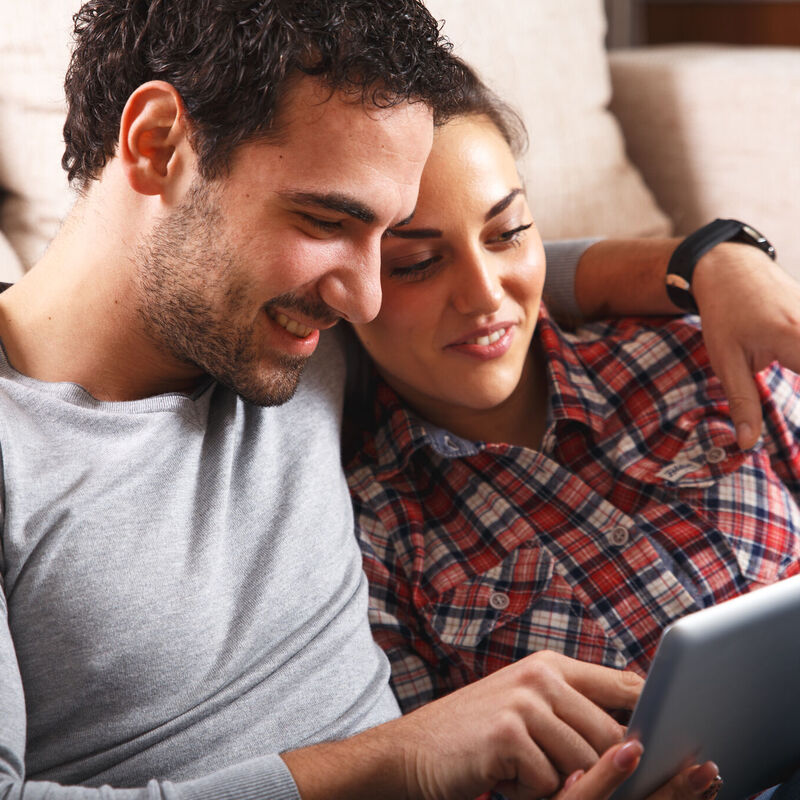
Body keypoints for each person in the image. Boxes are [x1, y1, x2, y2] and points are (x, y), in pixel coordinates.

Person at [0, 1, 792, 798]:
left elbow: (491, 285)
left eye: (389, 244)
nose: (368, 297)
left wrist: (711, 259)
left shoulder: (295, 331)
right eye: (326, 219)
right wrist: (403, 756)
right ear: (158, 144)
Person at [344, 63, 800, 797]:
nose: (487, 295)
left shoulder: (691, 353)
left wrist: (719, 255)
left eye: (509, 231)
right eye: (420, 264)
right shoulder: (374, 541)